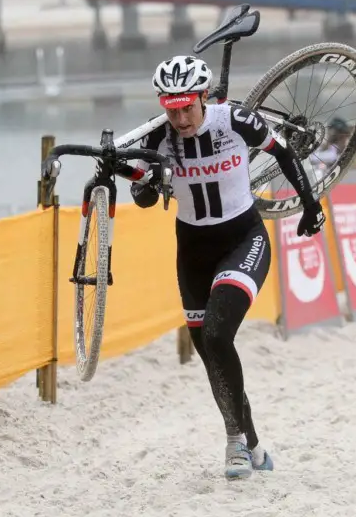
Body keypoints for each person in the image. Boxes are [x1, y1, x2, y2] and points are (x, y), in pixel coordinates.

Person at [111, 55, 327, 480]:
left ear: (204, 98)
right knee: (210, 354)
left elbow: (283, 152)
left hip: (242, 238)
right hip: (192, 248)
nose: (180, 118)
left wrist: (310, 204)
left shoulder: (236, 121)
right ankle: (254, 445)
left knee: (216, 332)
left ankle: (233, 444)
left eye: (188, 107)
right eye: (171, 109)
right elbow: (144, 193)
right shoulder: (157, 138)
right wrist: (128, 174)